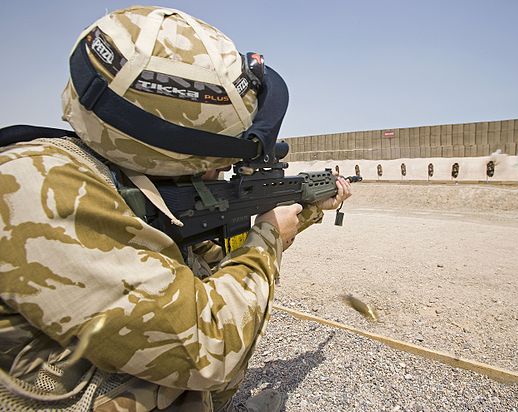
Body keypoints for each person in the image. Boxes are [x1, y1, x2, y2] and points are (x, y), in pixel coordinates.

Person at [0, 6, 351, 412]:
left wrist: (302, 210)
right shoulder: (33, 184)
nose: (220, 169)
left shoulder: (109, 170)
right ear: (166, 152)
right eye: (215, 155)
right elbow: (209, 345)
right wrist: (268, 237)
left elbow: (197, 259)